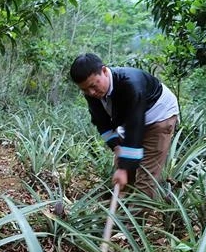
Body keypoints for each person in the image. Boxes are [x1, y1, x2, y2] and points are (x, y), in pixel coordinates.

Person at [69, 53, 179, 198]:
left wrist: (124, 167)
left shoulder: (131, 84)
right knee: (123, 171)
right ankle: (120, 211)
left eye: (93, 86)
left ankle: (137, 217)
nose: (91, 92)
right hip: (131, 120)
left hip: (159, 116)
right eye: (85, 89)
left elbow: (135, 126)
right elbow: (101, 122)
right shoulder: (92, 92)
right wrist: (116, 146)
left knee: (146, 176)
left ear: (104, 71)